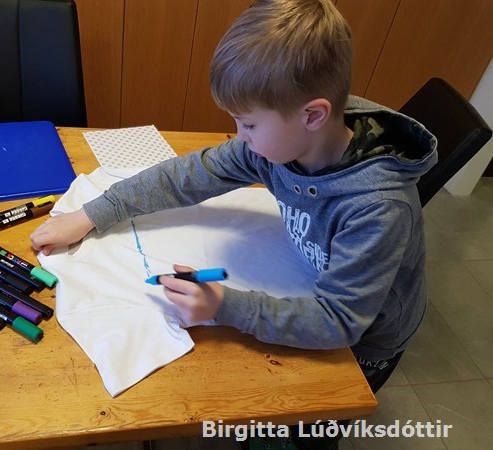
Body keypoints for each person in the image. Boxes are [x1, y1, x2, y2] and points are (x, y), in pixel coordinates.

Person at [31, 0, 436, 447]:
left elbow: (339, 321)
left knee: (307, 427)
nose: (240, 137)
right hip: (314, 284)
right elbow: (190, 175)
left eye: (248, 124)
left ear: (313, 115)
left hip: (366, 340)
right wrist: (92, 214)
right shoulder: (291, 140)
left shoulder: (377, 209)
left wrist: (224, 307)